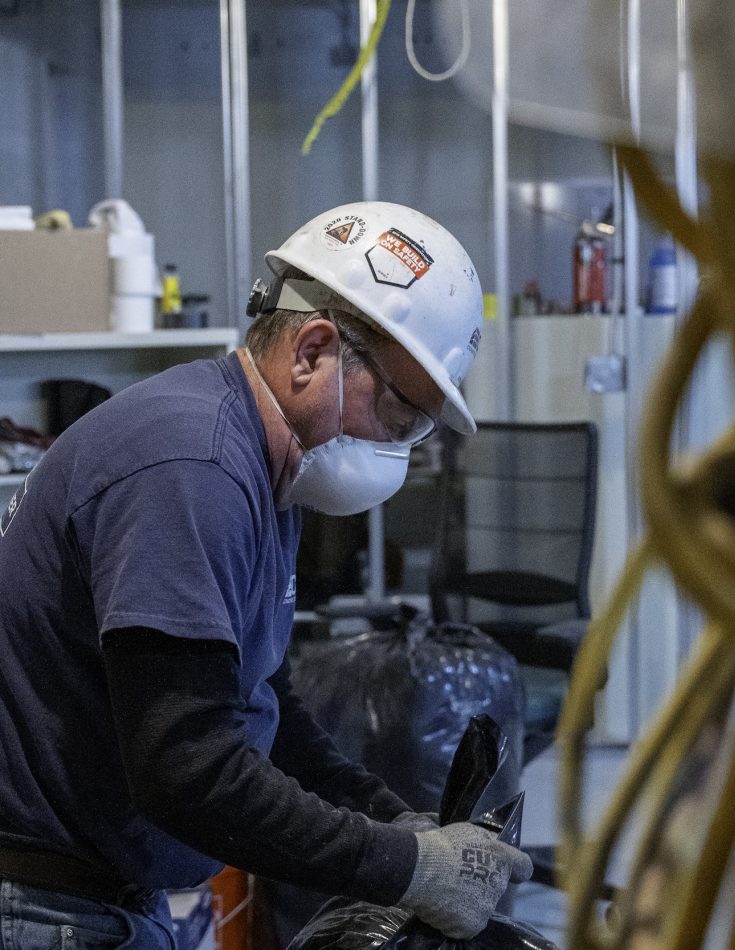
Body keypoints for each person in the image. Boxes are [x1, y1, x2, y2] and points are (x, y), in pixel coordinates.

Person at [0, 201, 531, 949]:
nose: (400, 446)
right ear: (312, 350)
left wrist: (384, 815)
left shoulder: (258, 464)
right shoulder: (192, 467)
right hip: (44, 908)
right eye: (403, 414)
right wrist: (403, 868)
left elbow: (252, 694)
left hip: (99, 896)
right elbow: (189, 769)